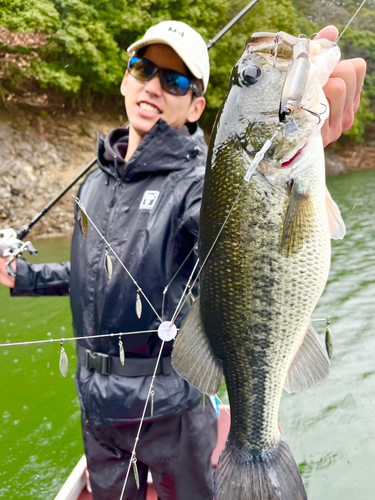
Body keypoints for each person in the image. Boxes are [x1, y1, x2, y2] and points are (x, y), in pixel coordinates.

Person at [0, 20, 366, 500]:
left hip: (173, 407)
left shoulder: (200, 184)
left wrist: (302, 147)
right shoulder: (93, 183)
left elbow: (231, 233)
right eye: (144, 68)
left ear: (197, 105)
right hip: (96, 407)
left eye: (174, 80)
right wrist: (19, 276)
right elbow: (95, 277)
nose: (154, 85)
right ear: (125, 78)